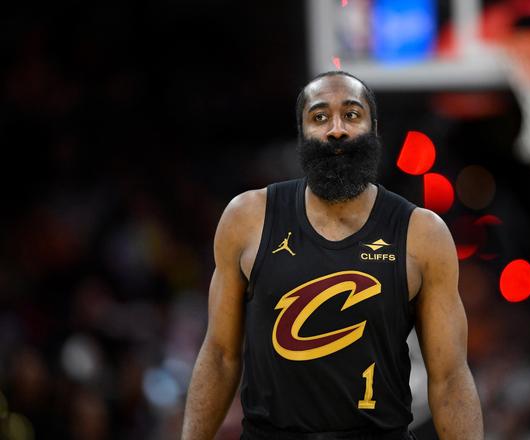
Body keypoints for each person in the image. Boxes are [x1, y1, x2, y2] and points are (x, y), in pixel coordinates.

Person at [181, 71, 484, 440]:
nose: (336, 129)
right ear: (302, 132)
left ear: (374, 130)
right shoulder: (246, 218)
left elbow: (450, 378)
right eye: (320, 116)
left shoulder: (422, 233)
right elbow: (219, 355)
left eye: (352, 115)